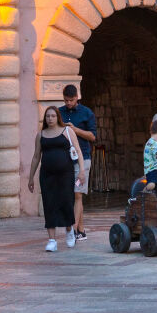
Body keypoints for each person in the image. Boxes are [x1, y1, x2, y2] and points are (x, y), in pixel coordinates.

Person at [27, 106, 87, 252]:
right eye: (48, 116)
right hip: (47, 175)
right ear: (45, 119)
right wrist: (31, 178)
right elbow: (36, 157)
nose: (50, 119)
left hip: (66, 174)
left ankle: (69, 231)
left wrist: (82, 171)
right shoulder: (41, 135)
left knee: (67, 202)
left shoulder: (67, 131)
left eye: (53, 116)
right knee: (49, 204)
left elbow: (78, 150)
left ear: (58, 117)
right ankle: (52, 240)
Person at [58, 84, 96, 241]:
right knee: (72, 195)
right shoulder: (59, 112)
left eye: (71, 100)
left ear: (77, 98)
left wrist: (75, 129)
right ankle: (81, 230)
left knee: (77, 193)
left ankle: (73, 230)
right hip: (65, 158)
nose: (68, 103)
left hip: (83, 158)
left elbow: (93, 136)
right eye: (66, 100)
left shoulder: (87, 113)